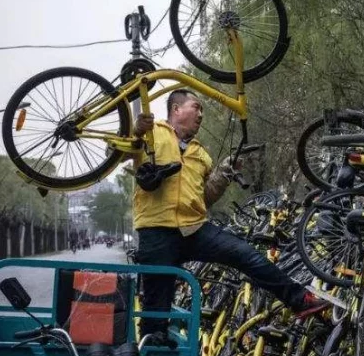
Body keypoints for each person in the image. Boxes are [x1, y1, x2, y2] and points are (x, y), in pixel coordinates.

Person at [132, 89, 309, 338]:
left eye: (202, 109)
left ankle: (301, 299)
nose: (201, 114)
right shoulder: (152, 133)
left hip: (194, 228)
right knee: (156, 309)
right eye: (196, 107)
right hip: (156, 230)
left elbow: (205, 197)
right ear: (176, 109)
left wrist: (224, 173)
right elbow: (115, 153)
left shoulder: (200, 153)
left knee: (246, 254)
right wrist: (136, 132)